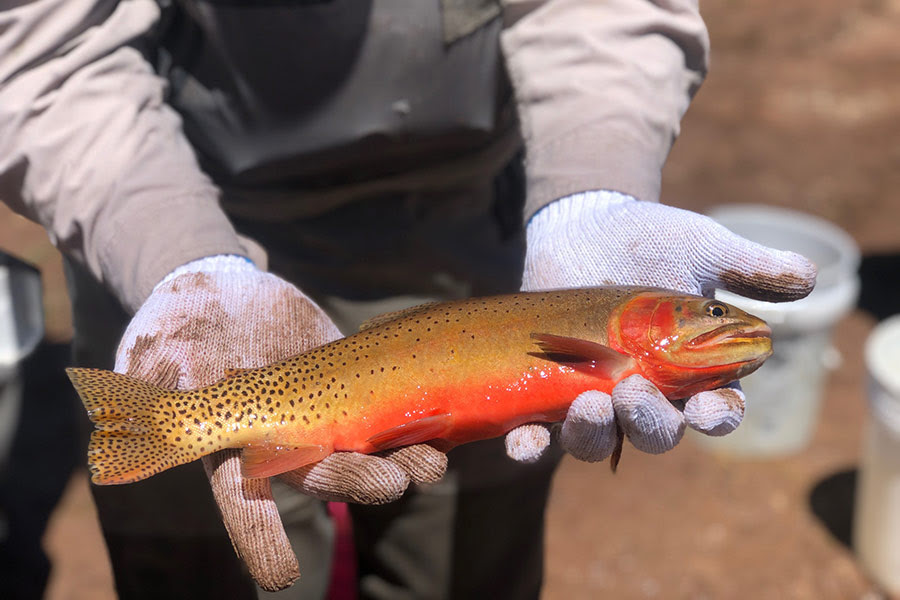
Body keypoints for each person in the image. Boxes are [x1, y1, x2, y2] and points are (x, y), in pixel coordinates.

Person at [0, 0, 816, 598]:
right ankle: (175, 410)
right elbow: (40, 55)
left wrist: (591, 190)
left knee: (463, 567)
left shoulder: (606, 319)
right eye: (708, 315)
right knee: (215, 570)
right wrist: (176, 254)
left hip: (474, 231)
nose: (722, 325)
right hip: (170, 204)